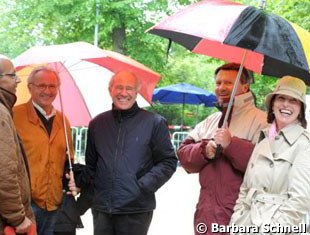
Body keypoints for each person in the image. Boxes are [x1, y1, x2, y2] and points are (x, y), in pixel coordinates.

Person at [177, 63, 268, 235]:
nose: (221, 87)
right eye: (218, 83)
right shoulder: (211, 120)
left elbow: (263, 167)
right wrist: (204, 151)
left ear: (245, 87)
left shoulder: (262, 121)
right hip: (205, 215)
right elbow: (183, 155)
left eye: (228, 83)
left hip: (241, 216)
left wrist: (231, 144)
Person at [84, 71, 178, 235]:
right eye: (118, 88)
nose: (123, 93)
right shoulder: (97, 124)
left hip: (136, 209)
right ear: (110, 90)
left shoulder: (154, 123)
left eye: (129, 88)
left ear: (137, 92)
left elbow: (168, 161)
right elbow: (91, 164)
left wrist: (142, 186)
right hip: (102, 209)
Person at [230, 76, 310, 234]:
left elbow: (300, 200)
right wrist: (237, 218)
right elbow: (245, 188)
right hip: (246, 223)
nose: (286, 104)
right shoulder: (264, 138)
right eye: (281, 98)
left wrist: (274, 229)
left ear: (301, 109)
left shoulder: (304, 144)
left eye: (293, 100)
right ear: (272, 104)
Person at [13, 66, 76, 235]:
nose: (47, 91)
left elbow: (69, 159)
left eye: (52, 86)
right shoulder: (13, 115)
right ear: (30, 87)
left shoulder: (63, 121)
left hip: (54, 204)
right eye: (42, 86)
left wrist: (73, 177)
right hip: (23, 206)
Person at [0, 55, 36, 234]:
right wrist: (17, 216)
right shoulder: (0, 112)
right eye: (13, 75)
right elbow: (4, 171)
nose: (18, 80)